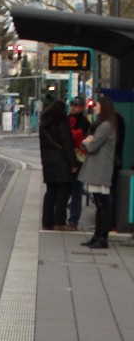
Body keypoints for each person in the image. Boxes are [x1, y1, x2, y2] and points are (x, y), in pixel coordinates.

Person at [79, 95, 118, 250]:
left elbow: (92, 147)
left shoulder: (105, 126)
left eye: (97, 105)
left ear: (103, 108)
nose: (94, 108)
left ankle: (102, 238)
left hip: (100, 170)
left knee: (102, 204)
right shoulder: (107, 125)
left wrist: (86, 142)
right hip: (99, 169)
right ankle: (98, 236)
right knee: (100, 204)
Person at [37, 99, 77, 230]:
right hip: (62, 162)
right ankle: (59, 222)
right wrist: (73, 164)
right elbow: (67, 145)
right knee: (63, 193)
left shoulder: (43, 124)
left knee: (50, 192)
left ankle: (47, 222)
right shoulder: (61, 123)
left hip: (48, 162)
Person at [67, 97, 91, 229]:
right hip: (65, 159)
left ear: (82, 108)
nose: (73, 108)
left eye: (76, 106)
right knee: (66, 190)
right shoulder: (66, 119)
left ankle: (73, 220)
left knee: (76, 190)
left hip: (78, 160)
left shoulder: (84, 122)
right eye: (72, 105)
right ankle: (62, 218)